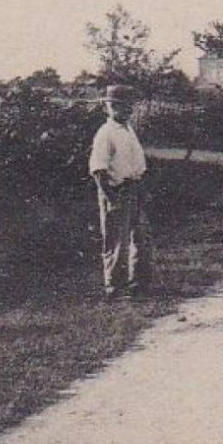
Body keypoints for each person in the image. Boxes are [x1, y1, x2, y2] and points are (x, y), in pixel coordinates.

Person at [88, 83, 150, 298]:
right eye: (123, 106)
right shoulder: (105, 133)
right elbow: (98, 170)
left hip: (135, 187)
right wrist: (111, 197)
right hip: (117, 190)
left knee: (140, 237)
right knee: (116, 240)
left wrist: (140, 186)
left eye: (130, 106)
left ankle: (138, 283)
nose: (129, 110)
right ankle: (114, 286)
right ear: (111, 107)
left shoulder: (127, 129)